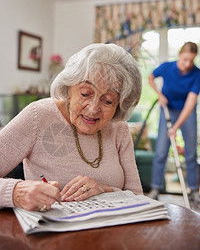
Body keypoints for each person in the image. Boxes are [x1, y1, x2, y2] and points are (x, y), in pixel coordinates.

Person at [0, 43, 143, 211]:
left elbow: (137, 197)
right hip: (52, 233)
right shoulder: (38, 116)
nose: (93, 108)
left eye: (108, 101)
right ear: (68, 88)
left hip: (110, 233)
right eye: (85, 94)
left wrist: (105, 189)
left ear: (119, 104)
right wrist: (16, 192)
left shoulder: (119, 129)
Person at [148, 42, 200, 206]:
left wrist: (176, 127)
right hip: (167, 110)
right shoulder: (166, 67)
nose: (187, 64)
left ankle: (193, 191)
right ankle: (155, 189)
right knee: (161, 152)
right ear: (179, 55)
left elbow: (190, 104)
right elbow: (150, 77)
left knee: (191, 154)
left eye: (191, 60)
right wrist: (159, 94)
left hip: (187, 113)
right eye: (185, 59)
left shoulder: (197, 74)